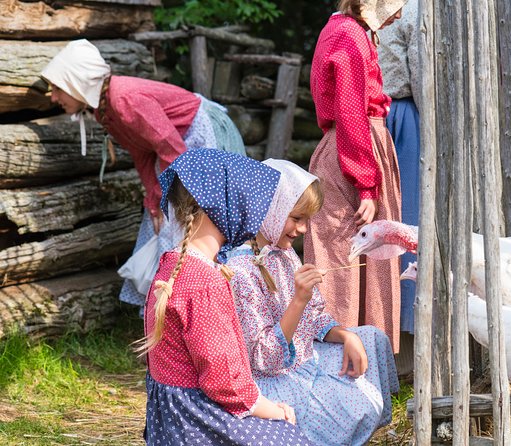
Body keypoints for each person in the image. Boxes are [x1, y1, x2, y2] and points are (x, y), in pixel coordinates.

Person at [40, 39, 246, 310]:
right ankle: (168, 310)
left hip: (196, 138)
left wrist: (165, 198)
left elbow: (171, 147)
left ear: (76, 81)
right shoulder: (104, 108)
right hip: (176, 154)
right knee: (162, 222)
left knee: (200, 222)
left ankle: (213, 303)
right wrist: (153, 202)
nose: (53, 97)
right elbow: (143, 153)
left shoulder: (123, 98)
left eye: (57, 88)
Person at [139, 149, 312, 445]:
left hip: (171, 418)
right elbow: (223, 381)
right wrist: (273, 410)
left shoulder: (172, 262)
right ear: (225, 207)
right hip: (196, 420)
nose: (253, 213)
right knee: (291, 438)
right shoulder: (203, 281)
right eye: (249, 202)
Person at [226, 159, 399, 446]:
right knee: (363, 406)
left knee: (371, 339)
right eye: (297, 218)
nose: (304, 229)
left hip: (303, 358)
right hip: (275, 382)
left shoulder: (284, 253)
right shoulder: (242, 272)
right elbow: (266, 360)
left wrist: (345, 336)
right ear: (271, 209)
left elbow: (315, 317)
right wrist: (298, 300)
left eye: (307, 220)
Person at [305, 0, 407, 353]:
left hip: (352, 148)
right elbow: (350, 113)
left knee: (355, 259)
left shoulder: (342, 30)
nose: (399, 14)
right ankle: (338, 366)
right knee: (340, 262)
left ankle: (361, 362)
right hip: (353, 152)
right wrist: (365, 182)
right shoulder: (348, 36)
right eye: (394, 4)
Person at [376, 0, 419, 374]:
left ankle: (400, 342)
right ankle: (402, 345)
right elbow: (420, 72)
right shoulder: (411, 9)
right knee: (404, 218)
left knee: (396, 219)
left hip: (382, 118)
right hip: (403, 118)